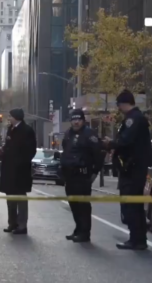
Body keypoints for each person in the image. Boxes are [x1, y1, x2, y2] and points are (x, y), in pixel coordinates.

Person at [103, 90, 151, 250]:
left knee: (131, 205)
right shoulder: (136, 119)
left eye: (118, 105)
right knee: (133, 205)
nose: (118, 108)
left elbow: (126, 141)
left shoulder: (133, 119)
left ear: (123, 103)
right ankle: (138, 238)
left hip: (133, 169)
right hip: (132, 168)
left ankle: (137, 239)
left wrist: (111, 144)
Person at [60, 109, 103, 243]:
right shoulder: (68, 134)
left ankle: (85, 233)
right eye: (74, 119)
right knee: (73, 204)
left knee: (83, 205)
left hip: (83, 175)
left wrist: (95, 172)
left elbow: (98, 154)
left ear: (83, 120)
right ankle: (78, 229)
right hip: (70, 175)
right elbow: (65, 151)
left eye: (78, 119)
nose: (76, 122)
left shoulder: (89, 134)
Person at [0, 109, 36, 235]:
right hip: (9, 169)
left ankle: (22, 225)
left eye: (10, 116)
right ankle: (12, 223)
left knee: (21, 198)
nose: (8, 118)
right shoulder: (11, 129)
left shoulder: (27, 130)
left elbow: (31, 150)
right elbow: (9, 146)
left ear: (16, 117)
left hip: (21, 171)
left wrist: (21, 162)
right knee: (10, 198)